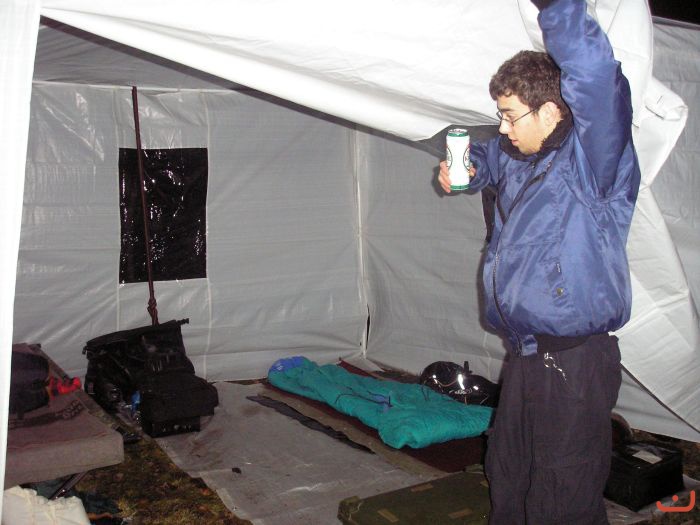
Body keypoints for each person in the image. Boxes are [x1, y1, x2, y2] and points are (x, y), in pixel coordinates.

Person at [438, 0, 640, 523]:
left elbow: (597, 78)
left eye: (510, 116)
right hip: (527, 354)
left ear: (550, 111)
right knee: (509, 471)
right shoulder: (520, 155)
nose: (503, 127)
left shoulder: (594, 161)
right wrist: (467, 167)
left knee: (562, 490)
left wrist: (558, 9)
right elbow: (488, 156)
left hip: (575, 360)